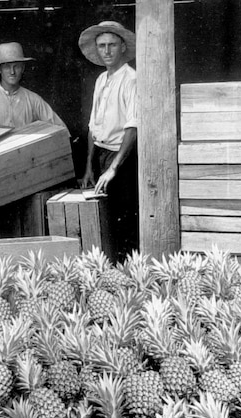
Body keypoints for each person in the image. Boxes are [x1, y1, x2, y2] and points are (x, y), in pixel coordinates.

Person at [78, 20, 139, 261]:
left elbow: (132, 128)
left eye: (112, 45)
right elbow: (93, 127)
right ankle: (113, 270)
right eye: (102, 45)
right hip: (102, 156)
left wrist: (113, 168)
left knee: (125, 219)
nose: (107, 51)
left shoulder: (131, 79)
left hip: (122, 158)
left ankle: (130, 274)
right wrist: (89, 167)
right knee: (107, 219)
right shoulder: (101, 79)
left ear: (123, 47)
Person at [0, 42, 67, 139]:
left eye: (17, 67)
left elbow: (61, 130)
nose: (12, 72)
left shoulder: (34, 100)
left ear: (23, 68)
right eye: (7, 67)